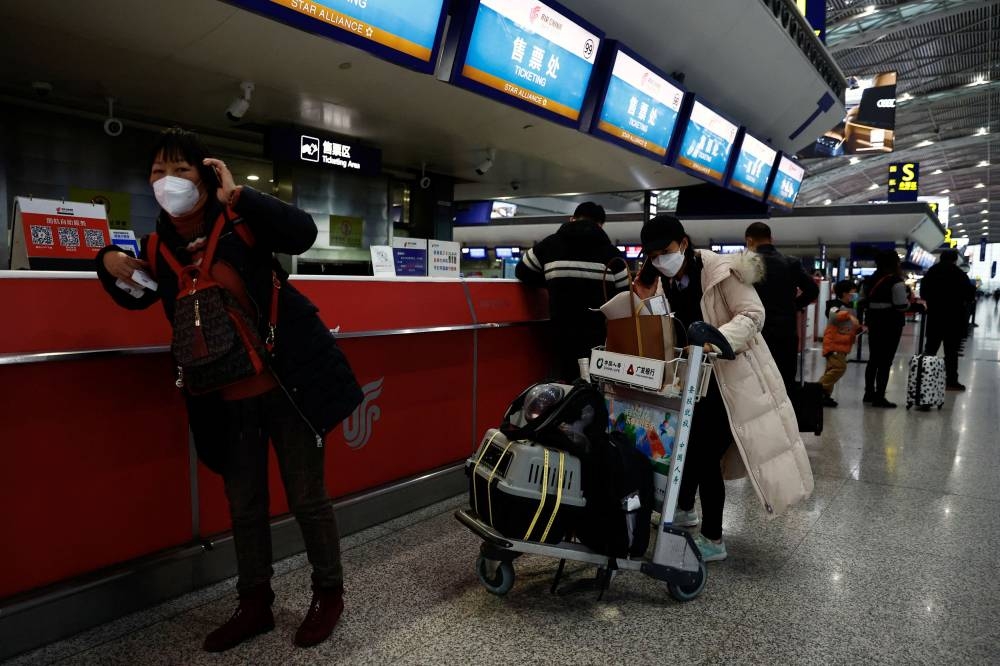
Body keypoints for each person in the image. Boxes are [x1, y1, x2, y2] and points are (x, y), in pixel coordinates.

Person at [96, 127, 363, 652]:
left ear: (206, 174)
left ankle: (328, 594)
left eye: (180, 170)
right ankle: (255, 603)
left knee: (308, 498)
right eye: (156, 172)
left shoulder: (242, 222)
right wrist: (105, 260)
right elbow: (134, 298)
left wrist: (238, 194)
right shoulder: (157, 247)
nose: (166, 181)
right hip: (225, 398)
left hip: (288, 387)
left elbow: (302, 234)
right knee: (244, 507)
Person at [634, 215, 813, 561]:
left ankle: (713, 539)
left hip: (730, 377)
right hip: (692, 379)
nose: (660, 261)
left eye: (665, 252)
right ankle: (685, 508)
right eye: (653, 255)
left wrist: (715, 341)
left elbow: (752, 313)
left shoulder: (721, 270)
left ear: (683, 243)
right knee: (684, 448)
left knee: (703, 457)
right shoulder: (662, 280)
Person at [516, 202, 629, 380]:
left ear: (572, 219)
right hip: (598, 342)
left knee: (564, 385)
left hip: (560, 337)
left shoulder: (549, 245)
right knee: (594, 388)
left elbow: (522, 271)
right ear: (600, 225)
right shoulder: (611, 254)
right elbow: (625, 295)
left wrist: (550, 282)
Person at [744, 222, 818, 389]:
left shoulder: (746, 265)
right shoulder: (790, 263)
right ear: (772, 239)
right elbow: (812, 291)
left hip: (755, 332)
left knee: (757, 381)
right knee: (785, 381)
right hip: (786, 332)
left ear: (749, 241)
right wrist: (793, 305)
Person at [920, 249, 976, 390]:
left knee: (930, 350)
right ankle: (951, 381)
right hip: (954, 318)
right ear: (955, 260)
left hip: (935, 316)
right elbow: (969, 295)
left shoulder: (931, 272)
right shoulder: (959, 274)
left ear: (941, 258)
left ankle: (924, 380)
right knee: (951, 352)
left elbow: (923, 293)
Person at [859, 250, 909, 407]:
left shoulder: (868, 280)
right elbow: (901, 305)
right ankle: (879, 396)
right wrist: (910, 304)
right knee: (885, 360)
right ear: (895, 263)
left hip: (874, 322)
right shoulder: (896, 281)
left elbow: (862, 300)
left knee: (873, 359)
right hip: (891, 324)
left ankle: (868, 393)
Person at [818, 281, 864, 407]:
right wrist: (849, 316)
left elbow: (853, 326)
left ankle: (824, 395)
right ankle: (816, 390)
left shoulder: (852, 307)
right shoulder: (834, 305)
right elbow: (833, 315)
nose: (854, 295)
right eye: (852, 293)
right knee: (839, 368)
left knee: (831, 370)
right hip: (833, 344)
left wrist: (860, 328)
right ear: (844, 293)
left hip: (843, 345)